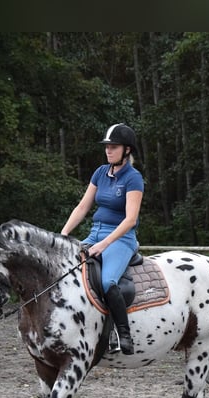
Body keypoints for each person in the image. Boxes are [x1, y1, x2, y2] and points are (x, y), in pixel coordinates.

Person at [61, 123, 144, 355]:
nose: (108, 151)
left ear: (127, 150)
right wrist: (64, 234)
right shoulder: (100, 172)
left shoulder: (133, 178)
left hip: (121, 238)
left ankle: (123, 335)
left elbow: (130, 219)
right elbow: (82, 207)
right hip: (95, 232)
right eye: (107, 146)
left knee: (108, 282)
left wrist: (104, 244)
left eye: (114, 147)